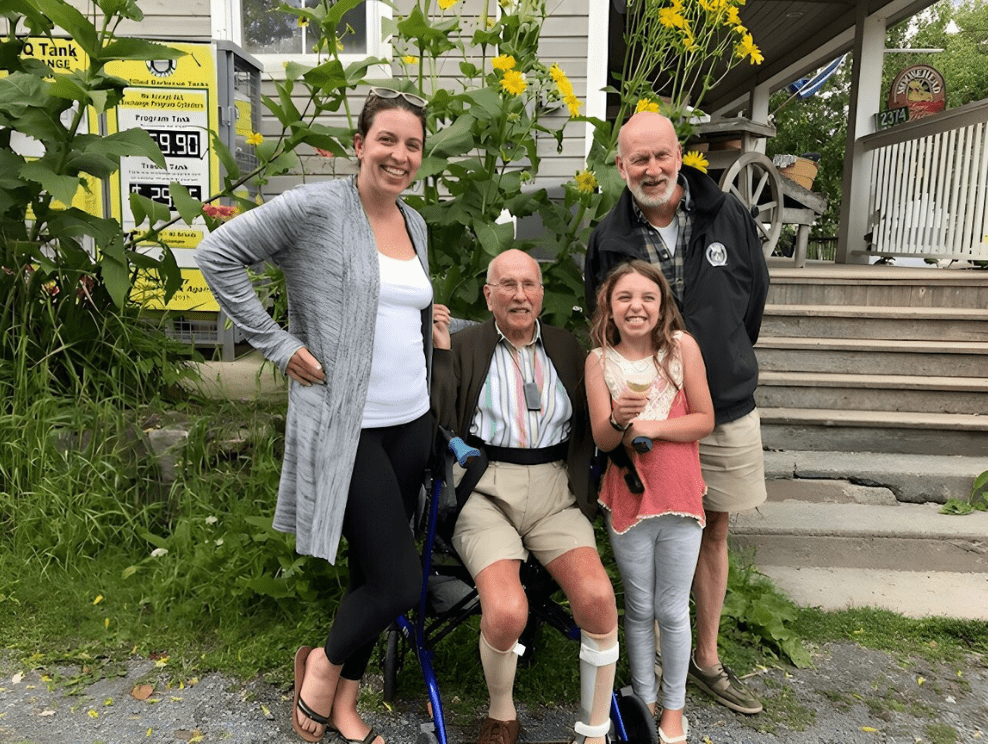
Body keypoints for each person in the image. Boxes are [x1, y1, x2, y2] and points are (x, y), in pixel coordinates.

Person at [196, 87, 437, 744]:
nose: (400, 154)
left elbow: (399, 307)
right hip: (345, 425)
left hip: (410, 423)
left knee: (371, 570)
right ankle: (320, 671)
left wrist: (429, 324)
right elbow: (217, 255)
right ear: (359, 145)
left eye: (412, 144)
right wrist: (277, 343)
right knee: (398, 582)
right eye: (387, 139)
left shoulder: (414, 223)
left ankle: (348, 705)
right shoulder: (315, 209)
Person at [584, 111, 770, 716]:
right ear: (622, 166)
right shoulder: (609, 235)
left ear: (679, 154)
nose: (653, 169)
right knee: (651, 531)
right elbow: (605, 319)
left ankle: (705, 659)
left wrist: (722, 356)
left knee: (714, 527)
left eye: (662, 155)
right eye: (639, 159)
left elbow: (754, 299)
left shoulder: (728, 214)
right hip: (644, 415)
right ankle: (658, 662)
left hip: (724, 405)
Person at [431, 249, 619, 744]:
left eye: (529, 285)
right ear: (488, 295)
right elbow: (439, 418)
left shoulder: (568, 347)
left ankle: (594, 729)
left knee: (598, 599)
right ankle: (501, 713)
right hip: (486, 488)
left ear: (541, 293)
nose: (520, 295)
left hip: (555, 488)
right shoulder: (466, 344)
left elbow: (597, 416)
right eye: (507, 285)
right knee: (508, 610)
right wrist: (441, 352)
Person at [585, 260, 714, 744]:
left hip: (680, 495)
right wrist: (619, 420)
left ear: (661, 307)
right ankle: (643, 699)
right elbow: (602, 437)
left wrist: (649, 428)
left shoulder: (681, 349)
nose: (636, 306)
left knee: (673, 609)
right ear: (609, 307)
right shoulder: (599, 361)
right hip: (630, 498)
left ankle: (674, 709)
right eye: (624, 298)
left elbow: (704, 419)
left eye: (647, 297)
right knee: (638, 607)